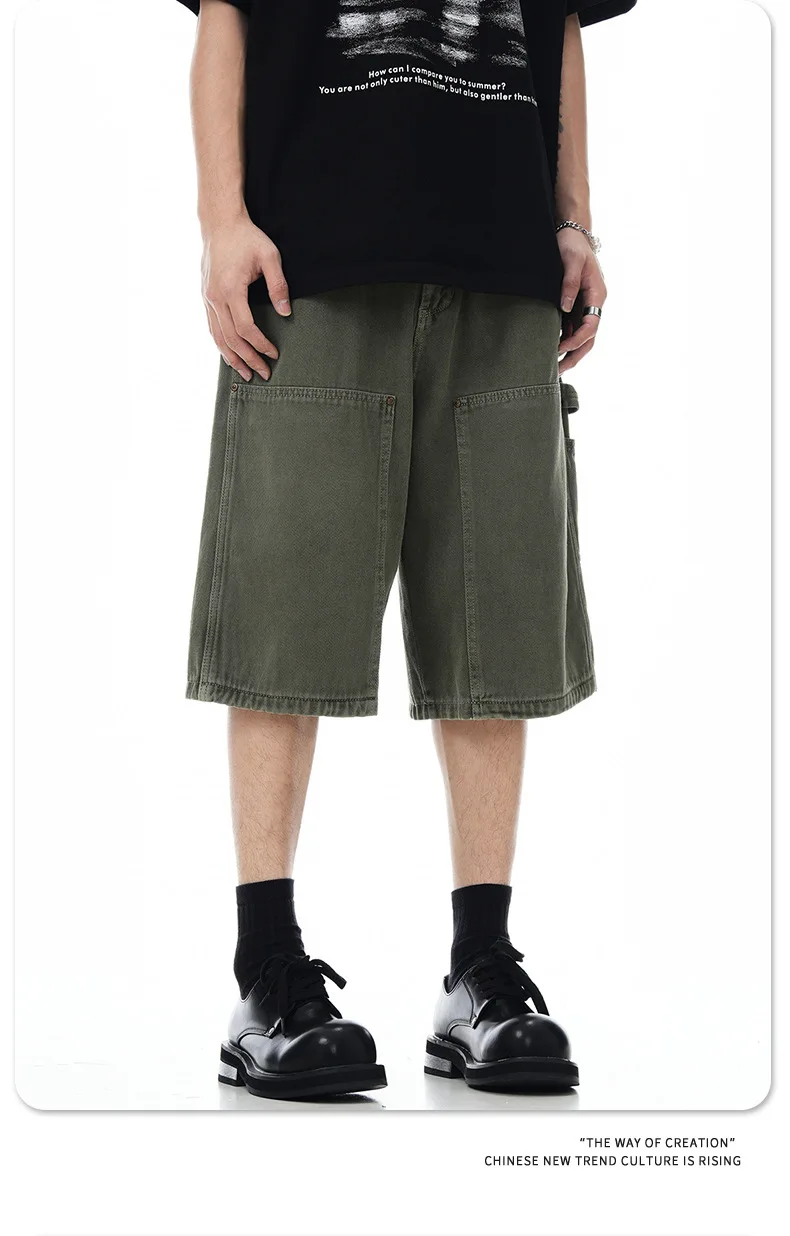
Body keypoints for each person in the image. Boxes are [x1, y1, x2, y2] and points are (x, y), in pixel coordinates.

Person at [174, 0, 637, 1101]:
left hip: (504, 262)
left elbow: (562, 25)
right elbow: (224, 10)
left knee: (495, 629)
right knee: (283, 621)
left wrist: (576, 222)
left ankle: (482, 971)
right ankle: (266, 974)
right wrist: (221, 221)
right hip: (311, 261)